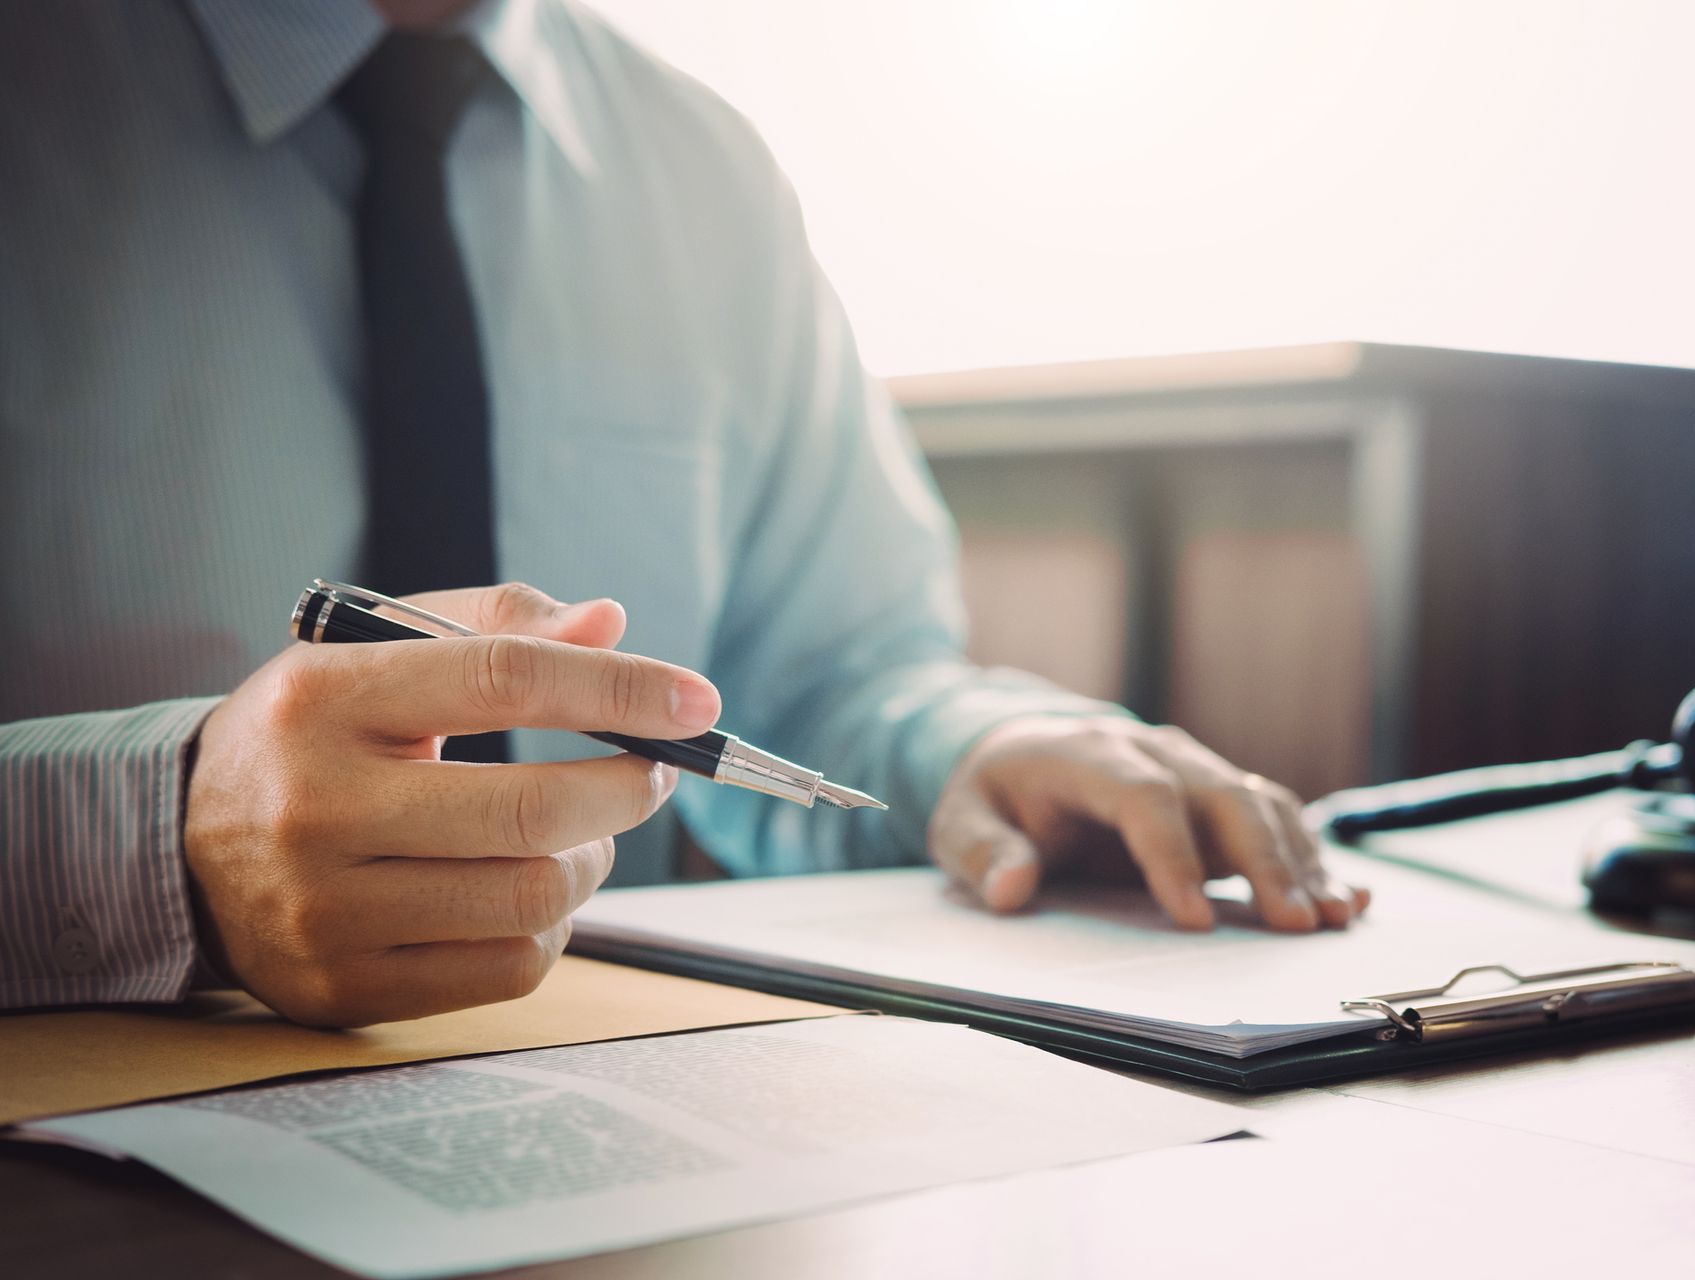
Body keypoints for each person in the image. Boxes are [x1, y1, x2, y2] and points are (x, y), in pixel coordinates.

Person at [0, 0, 1367, 1027]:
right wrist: (150, 844)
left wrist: (971, 751)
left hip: (610, 1107)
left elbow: (833, 676)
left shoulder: (706, 172)